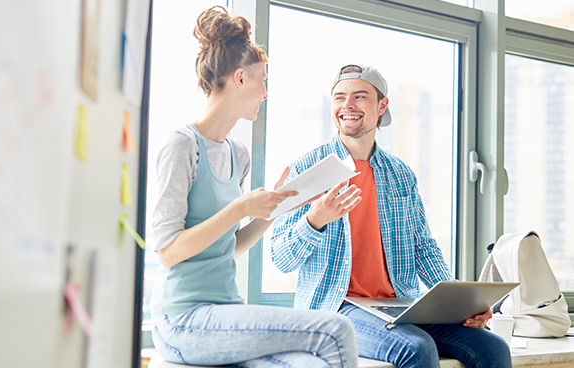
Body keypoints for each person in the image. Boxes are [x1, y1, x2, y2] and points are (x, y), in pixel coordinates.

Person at [148, 6, 359, 368]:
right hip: (182, 320)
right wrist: (240, 208)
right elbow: (167, 252)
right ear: (241, 78)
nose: (265, 92)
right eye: (264, 80)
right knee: (335, 330)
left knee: (311, 364)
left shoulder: (238, 154)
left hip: (226, 313)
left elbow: (225, 249)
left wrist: (276, 210)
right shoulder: (181, 145)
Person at [270, 64, 512, 368]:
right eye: (339, 98)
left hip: (399, 305)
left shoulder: (400, 174)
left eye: (359, 97)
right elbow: (281, 259)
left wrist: (460, 304)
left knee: (493, 348)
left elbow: (423, 248)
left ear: (382, 105)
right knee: (417, 348)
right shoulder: (307, 169)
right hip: (334, 308)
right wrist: (314, 221)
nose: (347, 106)